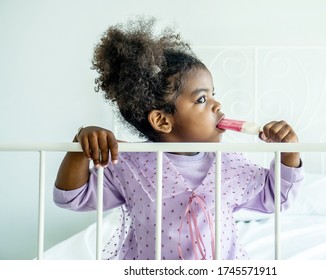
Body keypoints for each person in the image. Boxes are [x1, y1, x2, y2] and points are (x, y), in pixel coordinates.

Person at [54, 16, 304, 260]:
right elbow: (72, 197)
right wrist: (80, 145)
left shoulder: (229, 163)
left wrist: (288, 152)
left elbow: (277, 196)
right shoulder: (130, 163)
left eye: (213, 95)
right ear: (162, 120)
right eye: (202, 99)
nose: (217, 105)